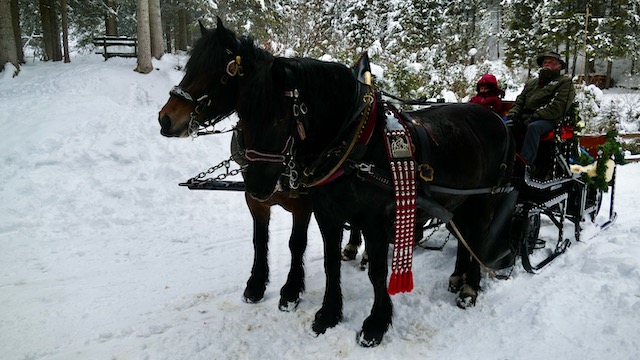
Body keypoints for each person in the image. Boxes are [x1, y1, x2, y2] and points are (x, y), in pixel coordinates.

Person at [507, 51, 576, 169]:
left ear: (559, 66)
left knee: (534, 127)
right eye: (545, 62)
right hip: (525, 117)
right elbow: (520, 101)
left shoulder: (564, 83)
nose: (547, 65)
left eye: (551, 62)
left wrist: (534, 117)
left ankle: (524, 164)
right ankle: (503, 159)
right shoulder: (531, 83)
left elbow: (557, 107)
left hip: (549, 119)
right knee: (505, 125)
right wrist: (513, 115)